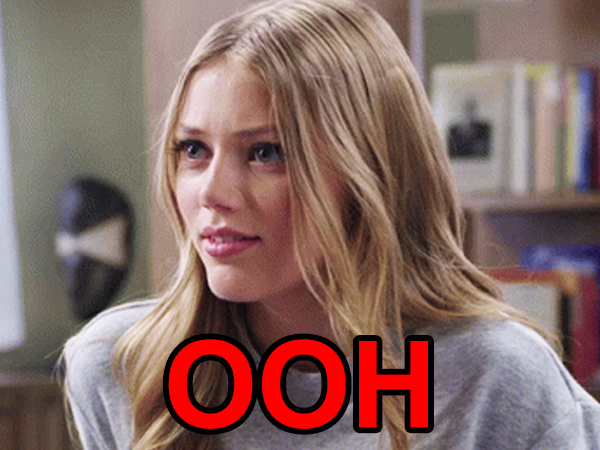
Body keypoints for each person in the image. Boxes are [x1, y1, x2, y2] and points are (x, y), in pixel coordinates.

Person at [62, 0, 600, 449]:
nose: (212, 192)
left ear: (370, 172)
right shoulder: (121, 368)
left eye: (266, 152)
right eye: (194, 149)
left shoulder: (492, 379)